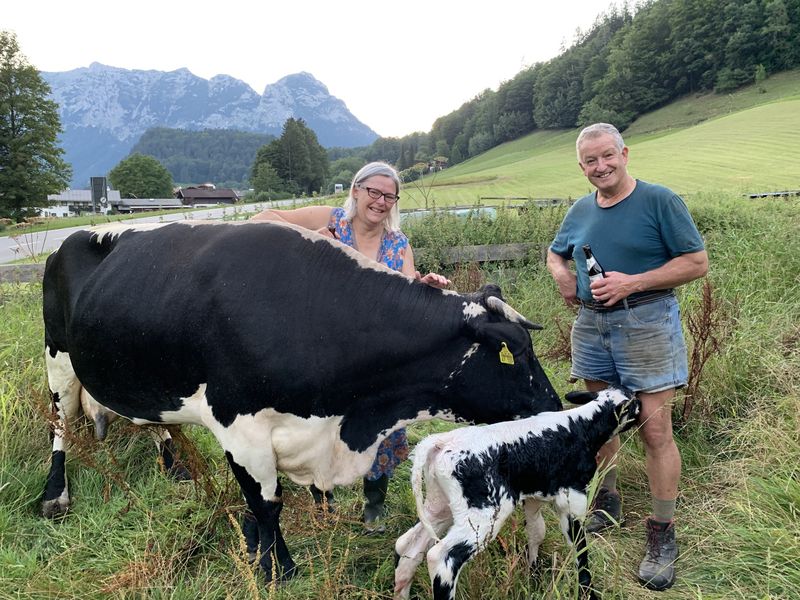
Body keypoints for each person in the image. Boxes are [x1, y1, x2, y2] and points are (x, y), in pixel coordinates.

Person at [546, 123, 708, 591]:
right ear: (581, 167)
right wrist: (561, 273)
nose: (600, 167)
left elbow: (696, 263)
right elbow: (555, 253)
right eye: (590, 162)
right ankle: (607, 499)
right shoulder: (579, 210)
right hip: (592, 328)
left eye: (607, 156)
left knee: (655, 430)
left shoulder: (660, 201)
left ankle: (662, 533)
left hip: (647, 323)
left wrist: (631, 282)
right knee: (600, 420)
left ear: (625, 153)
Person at [251, 161, 450, 532]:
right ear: (356, 189)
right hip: (321, 349)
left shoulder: (397, 243)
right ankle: (321, 502)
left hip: (375, 354)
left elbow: (405, 297)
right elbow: (263, 217)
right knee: (321, 427)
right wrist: (309, 239)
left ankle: (374, 504)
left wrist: (426, 286)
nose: (380, 201)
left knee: (383, 424)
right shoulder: (330, 220)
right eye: (373, 191)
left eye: (389, 196)